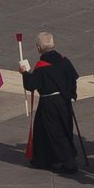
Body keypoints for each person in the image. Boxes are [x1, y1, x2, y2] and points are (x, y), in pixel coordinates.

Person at [18, 34, 83, 173]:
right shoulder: (64, 60)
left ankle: (68, 162)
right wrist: (72, 94)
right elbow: (73, 78)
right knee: (58, 129)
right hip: (64, 101)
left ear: (38, 48)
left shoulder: (42, 66)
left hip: (49, 103)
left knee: (55, 132)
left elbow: (31, 84)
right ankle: (47, 159)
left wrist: (24, 73)